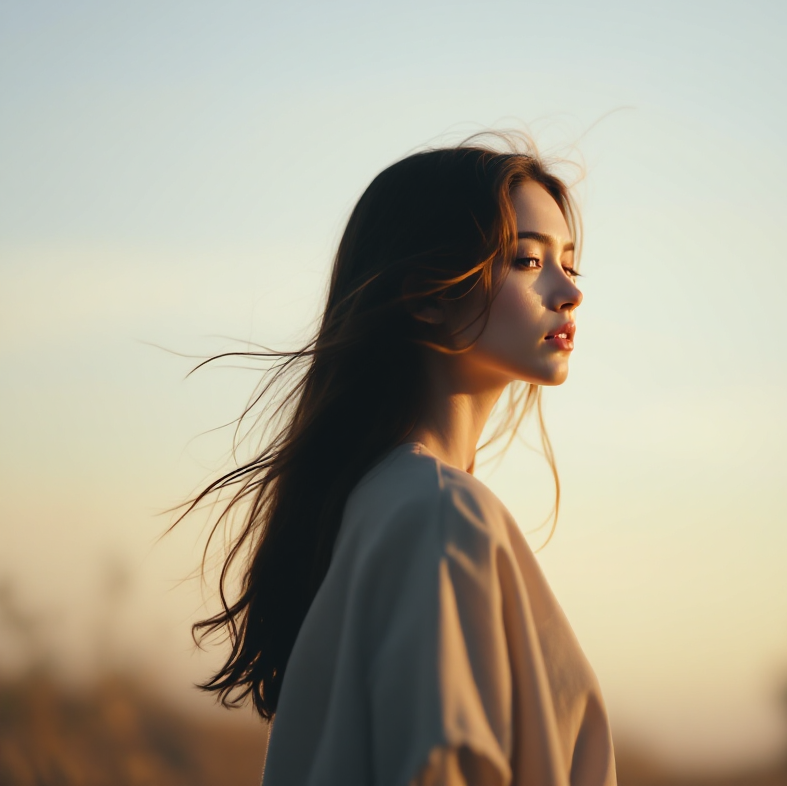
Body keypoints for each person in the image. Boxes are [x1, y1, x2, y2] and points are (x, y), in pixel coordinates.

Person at [185, 140, 616, 785]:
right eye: (528, 260)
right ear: (426, 296)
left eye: (570, 265)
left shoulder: (379, 503)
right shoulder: (438, 513)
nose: (569, 293)